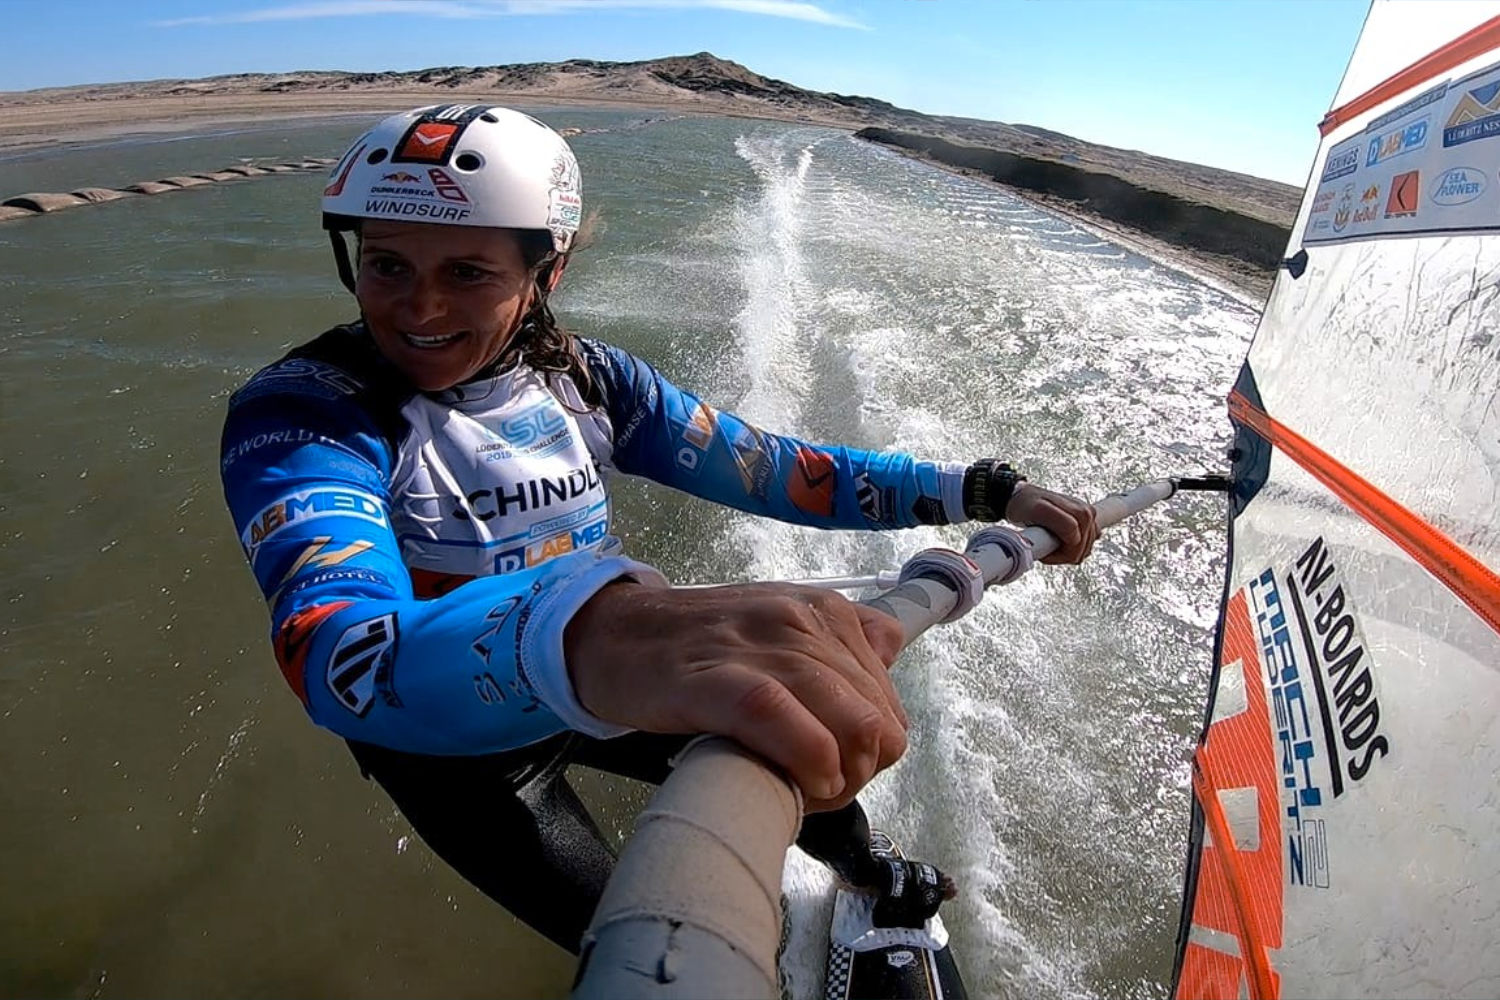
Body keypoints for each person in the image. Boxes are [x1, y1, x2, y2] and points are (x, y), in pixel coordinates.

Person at [219, 104, 1099, 953]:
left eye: (467, 273)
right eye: (387, 267)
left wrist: (984, 488)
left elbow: (780, 469)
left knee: (818, 779)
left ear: (546, 274)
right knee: (621, 940)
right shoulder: (305, 414)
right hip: (452, 754)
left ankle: (870, 874)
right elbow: (339, 654)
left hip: (602, 676)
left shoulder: (590, 382)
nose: (417, 309)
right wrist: (595, 629)